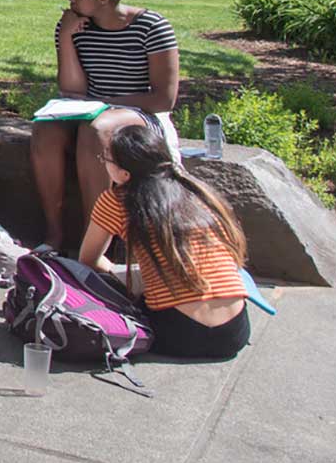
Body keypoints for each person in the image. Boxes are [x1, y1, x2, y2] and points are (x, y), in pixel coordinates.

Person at [29, 0, 180, 252]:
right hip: (90, 109)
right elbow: (72, 89)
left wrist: (107, 103)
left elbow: (164, 98)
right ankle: (54, 234)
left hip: (139, 114)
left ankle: (93, 240)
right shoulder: (73, 26)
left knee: (95, 130)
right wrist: (68, 38)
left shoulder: (151, 27)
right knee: (45, 131)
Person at [78, 125, 250, 359]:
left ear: (124, 174)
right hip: (235, 333)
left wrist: (116, 272)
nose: (104, 163)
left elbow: (88, 260)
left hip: (179, 334)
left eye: (106, 159)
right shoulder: (195, 191)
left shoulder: (117, 200)